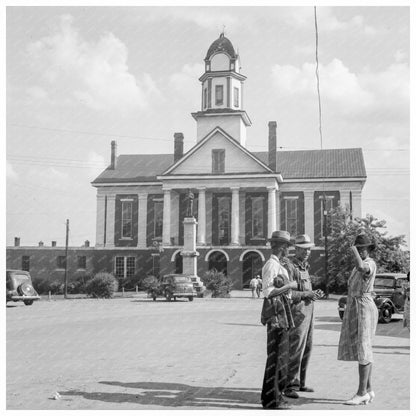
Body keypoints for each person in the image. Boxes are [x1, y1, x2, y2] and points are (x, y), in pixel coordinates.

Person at [337, 234, 378, 406]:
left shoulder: (369, 263)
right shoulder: (357, 266)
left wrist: (354, 251)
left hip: (364, 307)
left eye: (363, 248)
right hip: (357, 306)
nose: (360, 251)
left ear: (368, 249)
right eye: (358, 248)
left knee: (363, 348)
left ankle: (361, 392)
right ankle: (368, 389)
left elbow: (363, 268)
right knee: (362, 347)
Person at [260, 231, 298, 409]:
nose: (289, 250)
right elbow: (267, 292)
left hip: (283, 314)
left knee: (280, 358)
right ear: (281, 247)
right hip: (276, 315)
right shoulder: (271, 265)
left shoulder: (278, 265)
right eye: (287, 246)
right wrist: (290, 285)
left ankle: (274, 396)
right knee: (276, 359)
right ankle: (272, 400)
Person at [283, 234, 322, 399]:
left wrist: (314, 294)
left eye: (309, 249)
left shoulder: (304, 267)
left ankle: (301, 382)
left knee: (307, 347)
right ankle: (289, 385)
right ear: (296, 249)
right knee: (295, 348)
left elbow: (306, 291)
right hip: (296, 313)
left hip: (308, 313)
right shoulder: (289, 266)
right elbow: (287, 292)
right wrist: (308, 293)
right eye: (304, 249)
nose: (307, 252)